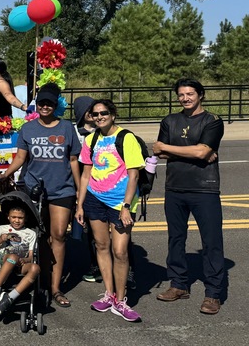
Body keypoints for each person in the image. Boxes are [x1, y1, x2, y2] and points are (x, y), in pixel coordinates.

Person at [0, 83, 80, 307]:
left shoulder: (66, 128)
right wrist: (5, 175)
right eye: (41, 102)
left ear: (56, 105)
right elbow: (21, 158)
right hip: (33, 188)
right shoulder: (28, 129)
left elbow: (73, 161)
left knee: (59, 235)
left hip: (62, 189)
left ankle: (55, 288)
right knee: (37, 236)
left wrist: (80, 191)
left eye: (49, 103)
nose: (45, 106)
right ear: (37, 104)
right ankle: (38, 279)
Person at [153, 79, 226, 314]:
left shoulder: (212, 121)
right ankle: (178, 284)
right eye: (181, 94)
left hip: (204, 189)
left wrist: (180, 150)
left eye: (190, 94)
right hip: (175, 188)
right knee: (176, 238)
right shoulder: (170, 121)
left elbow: (202, 151)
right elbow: (157, 149)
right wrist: (197, 152)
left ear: (201, 95)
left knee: (211, 242)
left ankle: (213, 293)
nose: (185, 98)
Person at [76, 99, 144, 323]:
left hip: (119, 203)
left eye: (103, 113)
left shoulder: (126, 138)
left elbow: (134, 175)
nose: (99, 117)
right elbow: (86, 174)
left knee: (121, 251)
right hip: (95, 200)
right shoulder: (91, 139)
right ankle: (109, 294)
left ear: (113, 115)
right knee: (101, 246)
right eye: (95, 114)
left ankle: (121, 300)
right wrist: (80, 205)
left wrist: (126, 207)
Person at [0, 204, 40, 315]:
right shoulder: (1, 229)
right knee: (13, 257)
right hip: (3, 260)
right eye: (13, 217)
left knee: (35, 268)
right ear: (8, 217)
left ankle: (10, 298)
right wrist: (0, 240)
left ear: (25, 218)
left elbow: (31, 255)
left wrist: (26, 260)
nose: (17, 220)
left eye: (20, 218)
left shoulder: (31, 233)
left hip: (19, 263)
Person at [72, 96, 101, 284]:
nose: (94, 114)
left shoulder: (104, 131)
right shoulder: (74, 132)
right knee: (89, 230)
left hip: (102, 184)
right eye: (90, 111)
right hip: (82, 184)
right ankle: (96, 265)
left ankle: (124, 269)